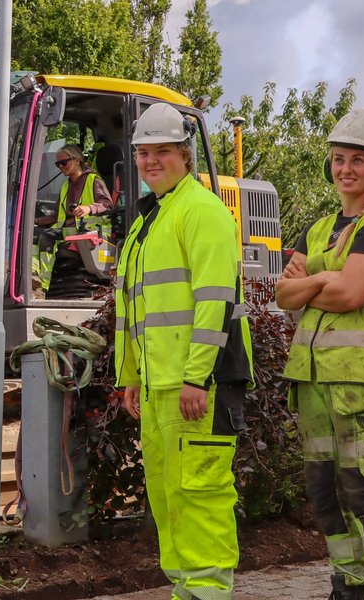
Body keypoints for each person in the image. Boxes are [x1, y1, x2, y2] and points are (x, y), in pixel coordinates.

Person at [114, 103, 254, 600]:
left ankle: (208, 592)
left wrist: (197, 377)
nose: (151, 161)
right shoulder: (150, 220)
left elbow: (214, 302)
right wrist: (130, 376)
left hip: (197, 386)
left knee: (201, 495)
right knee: (170, 496)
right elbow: (134, 310)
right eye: (143, 153)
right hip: (160, 387)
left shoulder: (201, 211)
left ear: (185, 155)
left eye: (162, 152)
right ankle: (187, 591)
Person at [277, 109, 364, 600]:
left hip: (360, 384)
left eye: (359, 160)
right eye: (338, 160)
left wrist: (311, 281)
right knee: (325, 493)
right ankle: (351, 584)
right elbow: (282, 294)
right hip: (313, 382)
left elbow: (352, 294)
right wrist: (324, 278)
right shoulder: (318, 230)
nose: (346, 170)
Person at [35, 144, 113, 297]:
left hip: (89, 231)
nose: (60, 167)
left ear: (77, 160)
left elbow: (107, 204)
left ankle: (42, 286)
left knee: (47, 237)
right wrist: (36, 221)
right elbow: (56, 216)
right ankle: (32, 276)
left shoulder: (93, 180)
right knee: (32, 234)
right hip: (69, 231)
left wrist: (88, 208)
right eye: (57, 164)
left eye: (63, 162)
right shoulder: (65, 186)